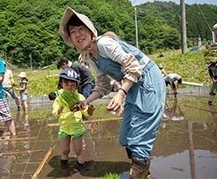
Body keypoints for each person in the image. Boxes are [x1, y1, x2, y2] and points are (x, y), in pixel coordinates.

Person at [59, 7, 166, 178]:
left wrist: (121, 93)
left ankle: (139, 171)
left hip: (147, 80)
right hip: (133, 84)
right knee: (126, 137)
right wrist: (85, 103)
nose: (78, 34)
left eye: (81, 29)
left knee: (139, 138)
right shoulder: (90, 56)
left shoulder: (104, 44)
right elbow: (102, 85)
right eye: (73, 32)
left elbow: (134, 67)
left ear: (91, 31)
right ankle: (142, 171)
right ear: (70, 38)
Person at [51, 68, 94, 172]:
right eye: (66, 84)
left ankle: (81, 167)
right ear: (61, 84)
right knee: (65, 150)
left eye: (72, 85)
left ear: (76, 85)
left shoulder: (79, 97)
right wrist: (59, 110)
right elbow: (54, 112)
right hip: (65, 127)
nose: (70, 87)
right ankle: (64, 166)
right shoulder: (59, 98)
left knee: (78, 150)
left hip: (77, 127)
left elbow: (86, 112)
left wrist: (90, 110)